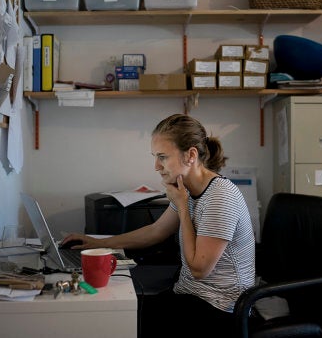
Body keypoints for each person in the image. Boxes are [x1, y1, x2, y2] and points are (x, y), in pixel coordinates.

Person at [62, 113, 256, 338]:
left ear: (190, 155)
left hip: (221, 308)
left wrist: (182, 206)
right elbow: (155, 232)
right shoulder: (188, 190)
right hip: (189, 295)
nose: (156, 166)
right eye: (155, 157)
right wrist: (98, 243)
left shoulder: (220, 197)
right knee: (120, 315)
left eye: (162, 157)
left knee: (122, 324)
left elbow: (199, 269)